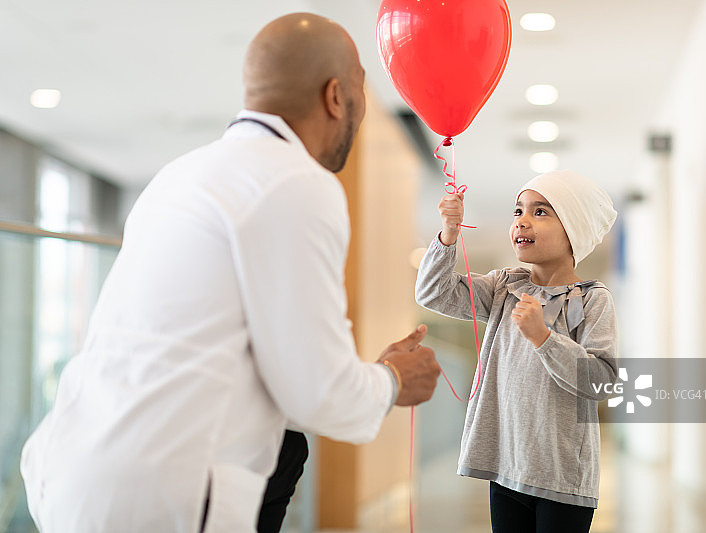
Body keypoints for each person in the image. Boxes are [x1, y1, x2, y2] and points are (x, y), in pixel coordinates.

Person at [20, 13, 440, 533]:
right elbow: (320, 394)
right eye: (359, 92)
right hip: (161, 497)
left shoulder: (178, 175)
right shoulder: (297, 183)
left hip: (72, 471)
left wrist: (363, 377)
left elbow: (246, 363)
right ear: (336, 96)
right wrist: (395, 379)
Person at [415, 170, 619, 532]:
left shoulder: (592, 300)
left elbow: (601, 381)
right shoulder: (503, 287)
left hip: (562, 478)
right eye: (518, 211)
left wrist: (543, 338)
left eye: (540, 212)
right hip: (505, 468)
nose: (522, 221)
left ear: (573, 230)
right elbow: (433, 291)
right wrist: (448, 235)